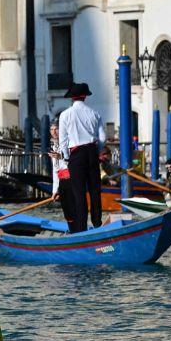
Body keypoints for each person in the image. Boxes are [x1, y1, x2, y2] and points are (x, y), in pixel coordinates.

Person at [57, 82, 107, 232]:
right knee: (94, 190)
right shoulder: (95, 113)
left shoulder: (65, 115)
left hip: (76, 155)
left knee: (79, 193)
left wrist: (67, 158)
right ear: (85, 96)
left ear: (72, 98)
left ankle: (81, 228)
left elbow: (63, 141)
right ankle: (97, 223)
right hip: (92, 152)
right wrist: (96, 151)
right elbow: (102, 138)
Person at [48, 120, 74, 229]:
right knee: (66, 210)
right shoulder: (54, 146)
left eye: (56, 129)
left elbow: (73, 161)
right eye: (51, 129)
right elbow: (55, 170)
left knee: (73, 208)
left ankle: (78, 230)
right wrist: (55, 190)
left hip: (71, 179)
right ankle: (72, 230)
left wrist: (61, 157)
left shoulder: (68, 143)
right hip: (62, 180)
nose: (54, 132)